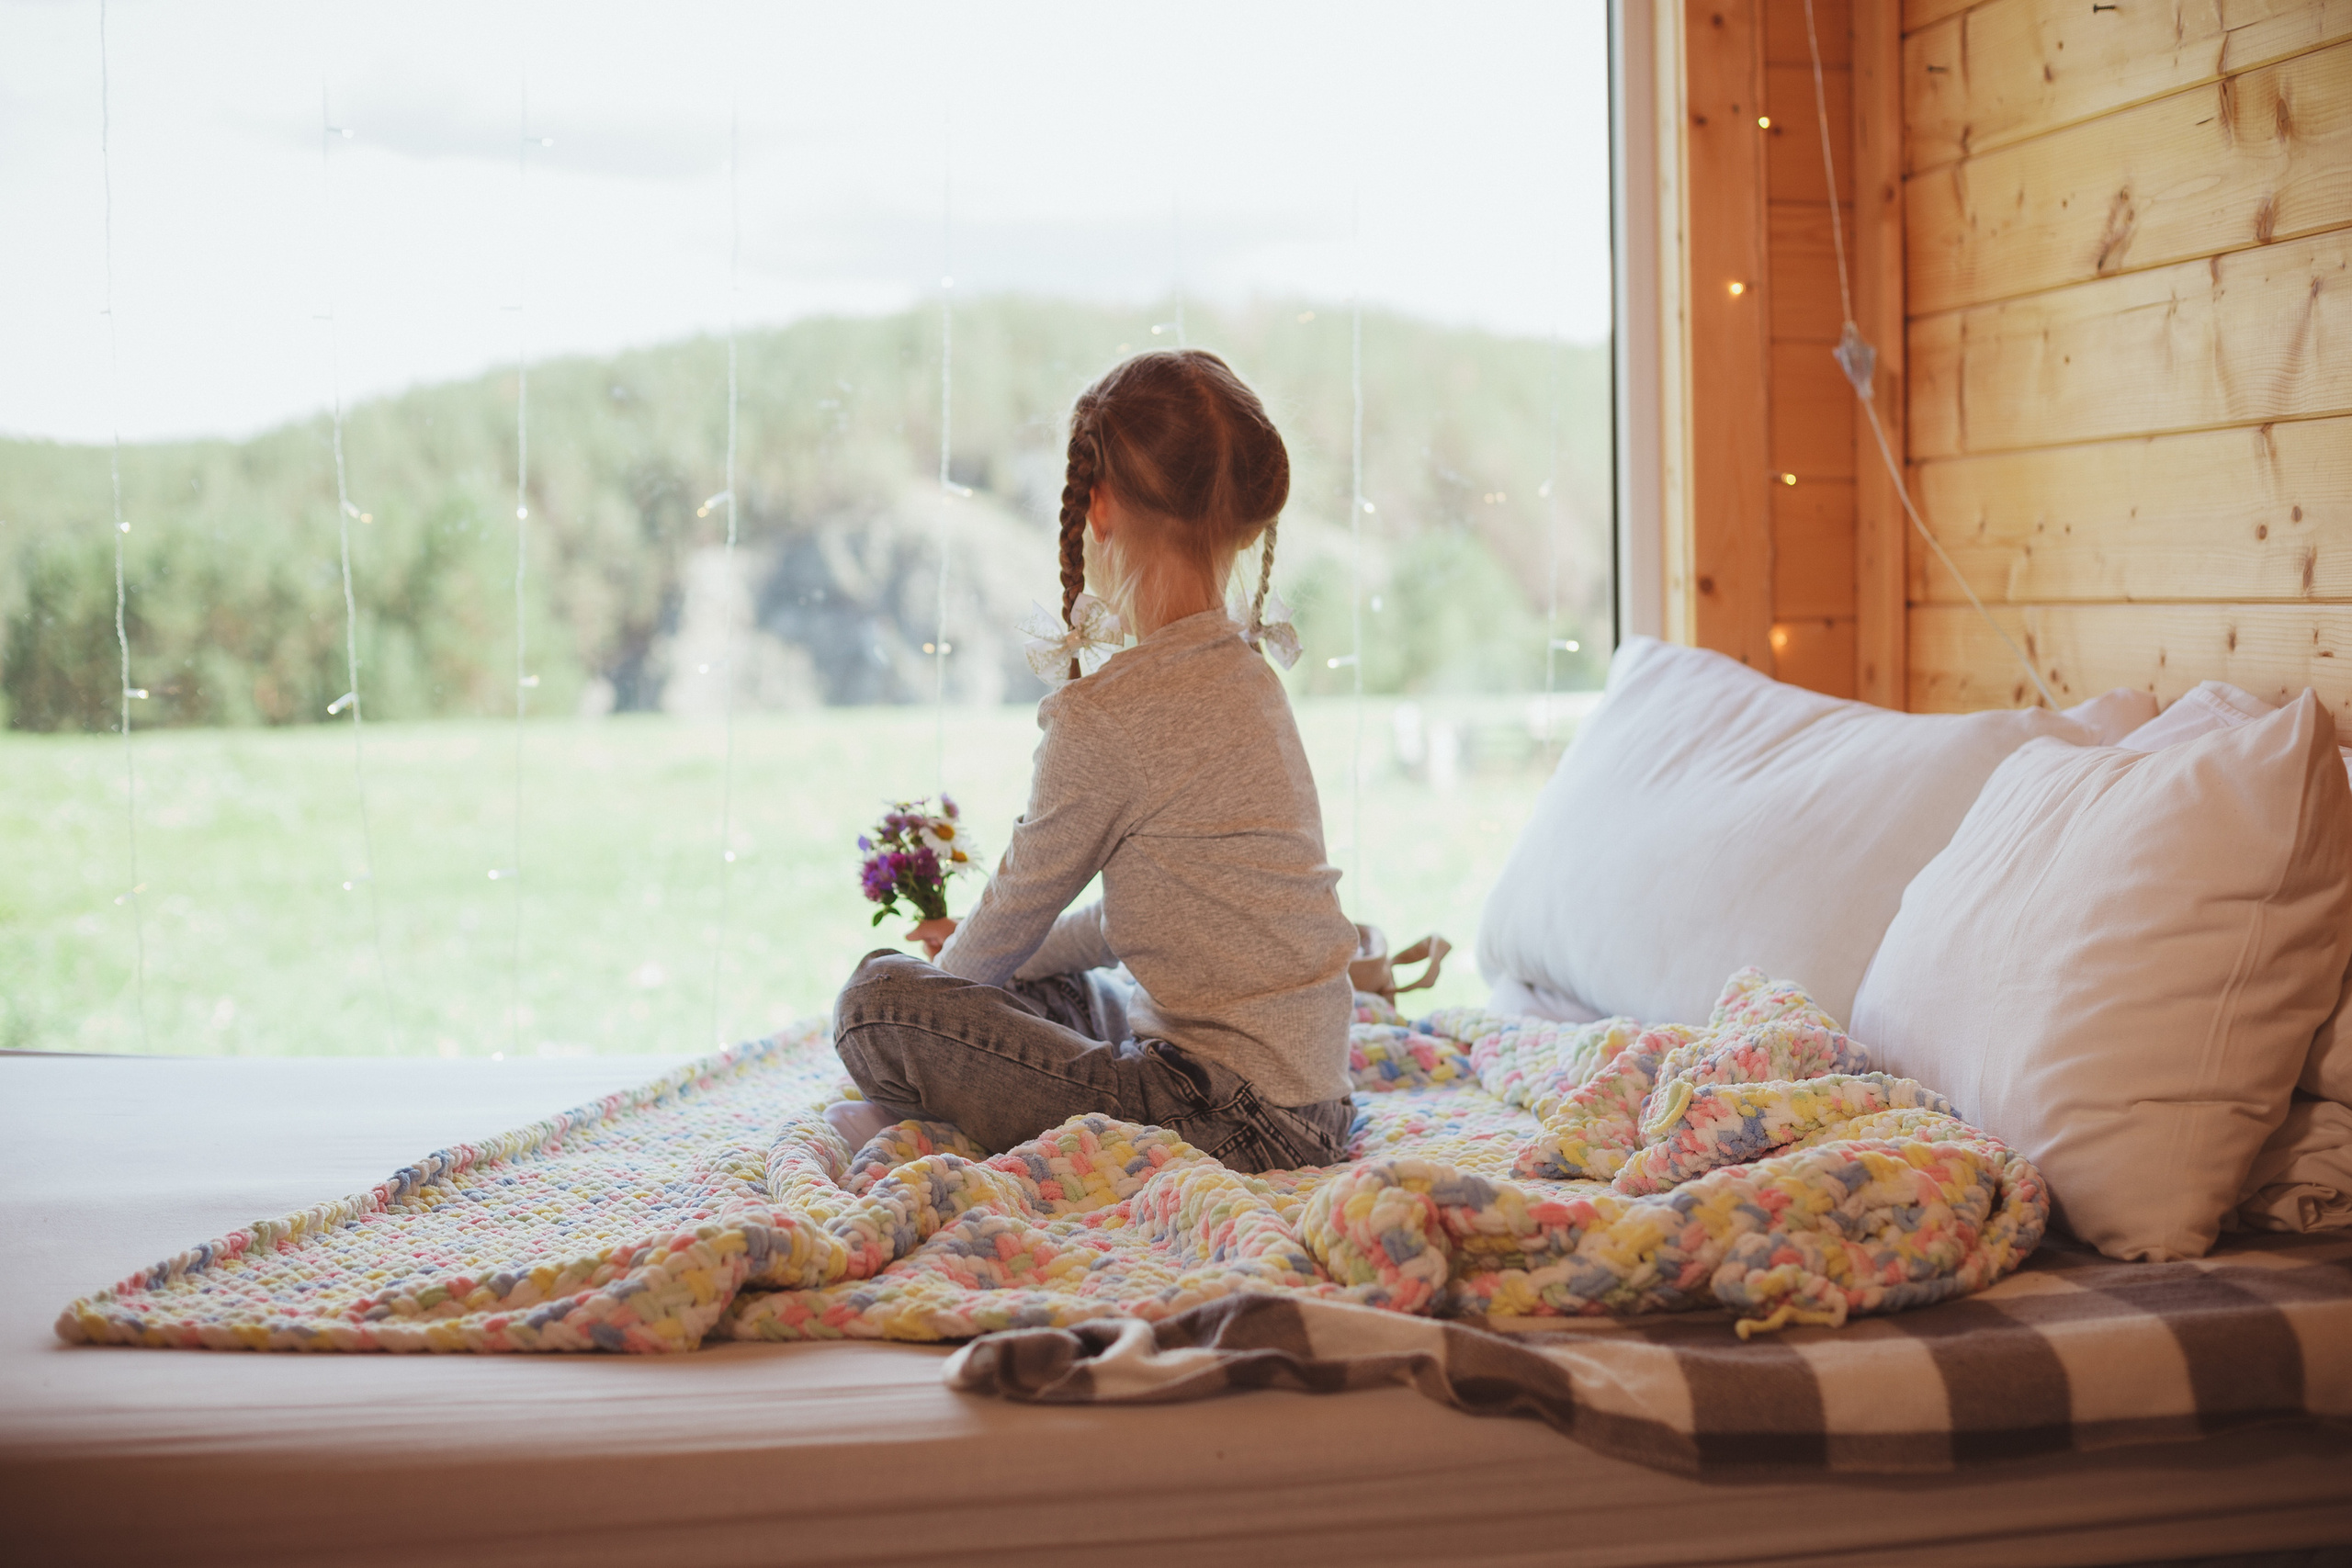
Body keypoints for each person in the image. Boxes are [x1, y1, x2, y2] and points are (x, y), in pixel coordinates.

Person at [826, 348, 1360, 1174]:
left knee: (873, 1002)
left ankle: (927, 1093)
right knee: (1072, 996)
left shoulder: (1111, 714)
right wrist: (975, 976)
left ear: (1097, 505)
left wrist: (941, 995)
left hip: (1226, 1118)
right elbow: (1151, 919)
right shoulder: (1251, 680)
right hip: (1313, 1097)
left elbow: (1010, 916)